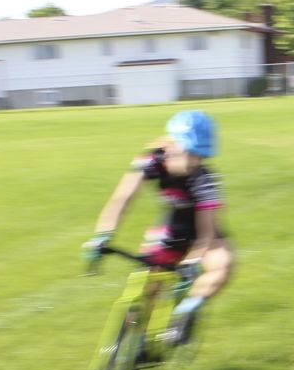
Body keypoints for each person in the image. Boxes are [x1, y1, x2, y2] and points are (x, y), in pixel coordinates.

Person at [82, 110, 234, 344]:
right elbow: (121, 199)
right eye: (189, 152)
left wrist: (193, 262)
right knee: (148, 288)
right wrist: (102, 235)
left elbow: (206, 234)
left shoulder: (204, 179)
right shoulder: (151, 160)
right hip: (171, 231)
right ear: (173, 144)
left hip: (204, 237)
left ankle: (185, 314)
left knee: (222, 265)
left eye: (199, 155)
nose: (194, 161)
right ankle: (132, 339)